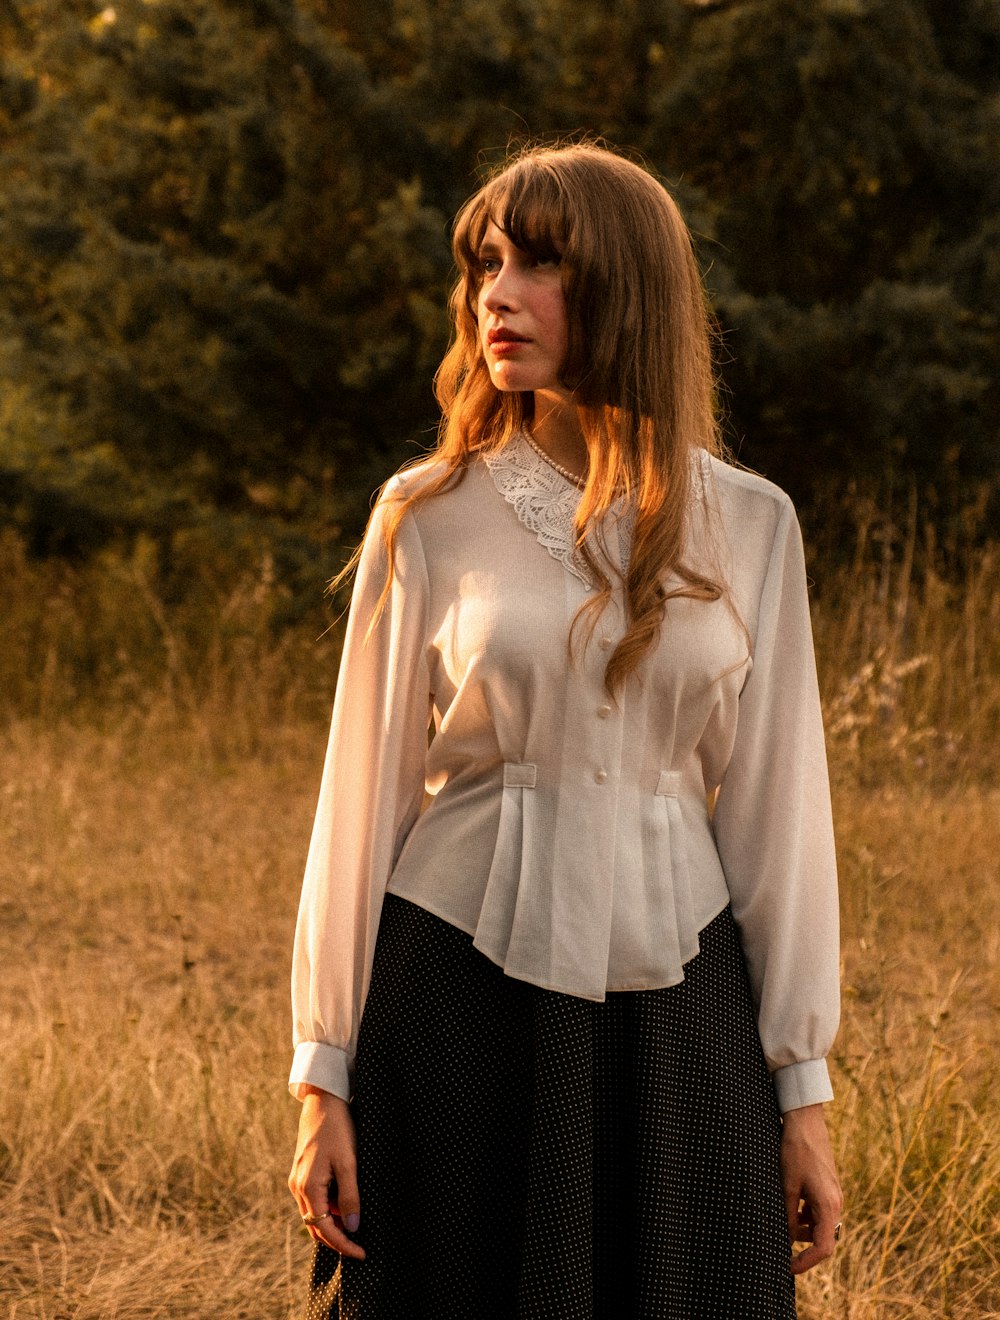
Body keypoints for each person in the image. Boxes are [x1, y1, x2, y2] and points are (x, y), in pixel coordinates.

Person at [287, 139, 843, 1319]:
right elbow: (359, 805)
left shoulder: (751, 526)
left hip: (680, 1009)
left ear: (626, 289)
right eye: (485, 263)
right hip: (451, 997)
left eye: (540, 263)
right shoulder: (426, 513)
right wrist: (321, 1076)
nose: (497, 292)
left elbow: (778, 825)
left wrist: (801, 1092)